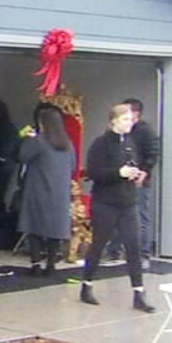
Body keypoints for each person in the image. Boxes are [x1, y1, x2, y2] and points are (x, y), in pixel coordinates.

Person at [72, 103, 155, 313]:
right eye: (125, 119)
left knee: (133, 246)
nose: (129, 124)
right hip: (105, 203)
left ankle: (139, 292)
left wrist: (135, 173)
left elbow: (132, 163)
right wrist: (118, 173)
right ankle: (87, 284)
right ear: (114, 121)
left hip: (128, 202)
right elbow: (94, 172)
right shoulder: (101, 143)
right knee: (98, 244)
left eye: (130, 120)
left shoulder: (130, 142)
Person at [17, 106, 75, 276]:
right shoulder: (67, 144)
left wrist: (27, 139)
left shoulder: (39, 141)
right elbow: (72, 166)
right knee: (55, 230)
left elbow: (22, 157)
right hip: (60, 193)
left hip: (38, 189)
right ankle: (51, 265)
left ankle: (35, 264)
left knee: (34, 226)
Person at [104, 98, 160, 266]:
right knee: (116, 216)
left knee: (140, 217)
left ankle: (143, 254)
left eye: (127, 113)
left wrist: (145, 171)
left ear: (136, 113)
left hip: (138, 180)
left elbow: (153, 152)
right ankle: (114, 250)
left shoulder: (145, 131)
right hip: (120, 180)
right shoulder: (118, 134)